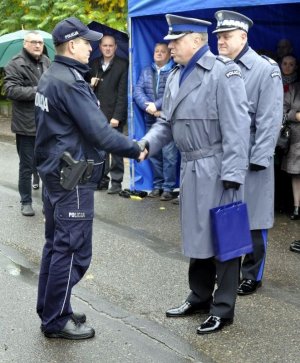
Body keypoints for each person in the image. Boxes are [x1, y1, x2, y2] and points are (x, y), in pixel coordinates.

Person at [139, 14, 251, 334]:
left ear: (196, 41)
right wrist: (146, 144)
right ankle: (200, 295)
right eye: (170, 41)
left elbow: (238, 126)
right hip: (190, 165)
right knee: (197, 234)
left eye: (176, 41)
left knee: (225, 237)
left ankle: (223, 307)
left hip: (217, 167)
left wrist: (232, 172)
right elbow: (166, 123)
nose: (169, 46)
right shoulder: (176, 75)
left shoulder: (223, 72)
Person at [35, 17, 143, 340]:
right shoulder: (70, 82)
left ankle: (54, 307)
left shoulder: (52, 76)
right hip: (73, 179)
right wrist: (135, 148)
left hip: (57, 176)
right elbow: (101, 134)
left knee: (55, 247)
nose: (91, 47)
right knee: (73, 252)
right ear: (71, 45)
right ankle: (54, 320)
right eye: (86, 42)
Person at [213, 10, 283, 296]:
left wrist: (259, 158)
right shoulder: (218, 67)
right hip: (225, 153)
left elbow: (270, 119)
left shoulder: (265, 69)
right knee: (229, 214)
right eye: (218, 36)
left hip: (253, 153)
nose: (220, 41)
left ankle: (252, 274)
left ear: (243, 37)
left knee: (254, 219)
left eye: (226, 36)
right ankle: (229, 269)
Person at [4, 31, 51, 216]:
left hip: (46, 122)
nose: (38, 45)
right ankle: (26, 201)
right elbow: (11, 90)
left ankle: (48, 202)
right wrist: (38, 90)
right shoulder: (15, 64)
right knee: (26, 165)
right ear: (25, 44)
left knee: (47, 165)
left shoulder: (47, 61)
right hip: (26, 124)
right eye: (34, 42)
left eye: (40, 42)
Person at [134, 43, 178, 201]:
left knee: (169, 156)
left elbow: (171, 93)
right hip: (149, 118)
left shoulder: (175, 71)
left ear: (169, 54)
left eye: (162, 51)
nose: (158, 54)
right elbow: (137, 91)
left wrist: (156, 105)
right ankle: (158, 185)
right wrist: (148, 107)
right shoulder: (146, 71)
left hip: (167, 120)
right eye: (156, 51)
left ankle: (168, 187)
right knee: (153, 155)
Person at [89, 35, 128, 194]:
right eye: (105, 45)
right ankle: (101, 180)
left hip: (114, 116)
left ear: (115, 47)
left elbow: (122, 93)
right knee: (100, 151)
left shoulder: (122, 65)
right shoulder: (94, 64)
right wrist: (90, 85)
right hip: (97, 115)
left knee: (116, 150)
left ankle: (116, 182)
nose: (108, 48)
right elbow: (87, 91)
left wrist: (117, 117)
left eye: (111, 45)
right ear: (100, 47)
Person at [281, 82, 300, 220]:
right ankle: (296, 207)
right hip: (296, 138)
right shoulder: (294, 88)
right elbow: (283, 110)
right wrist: (296, 115)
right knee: (296, 174)